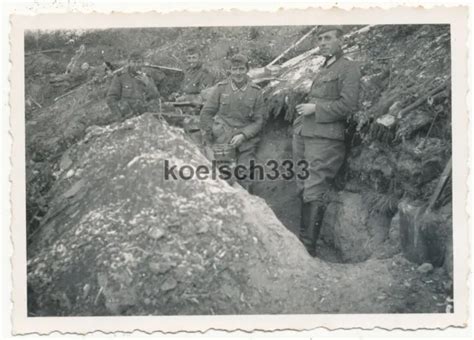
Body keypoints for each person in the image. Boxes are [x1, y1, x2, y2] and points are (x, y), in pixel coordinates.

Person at [293, 25, 361, 256]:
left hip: (325, 138)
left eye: (328, 38)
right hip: (305, 133)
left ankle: (307, 248)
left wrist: (316, 108)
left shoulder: (348, 67)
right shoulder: (324, 67)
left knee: (314, 187)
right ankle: (302, 243)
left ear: (340, 41)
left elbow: (348, 105)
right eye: (320, 39)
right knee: (302, 184)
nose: (322, 42)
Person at [200, 54, 265, 192]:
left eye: (241, 69)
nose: (238, 73)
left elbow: (259, 121)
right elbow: (206, 112)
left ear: (247, 70)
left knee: (245, 175)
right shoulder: (221, 88)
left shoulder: (256, 92)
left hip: (245, 141)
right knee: (222, 176)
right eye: (234, 69)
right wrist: (210, 132)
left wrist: (243, 135)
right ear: (229, 70)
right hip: (223, 137)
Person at [106, 51, 160, 120]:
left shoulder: (147, 78)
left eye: (139, 62)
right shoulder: (120, 77)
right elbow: (111, 98)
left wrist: (148, 84)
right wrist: (119, 116)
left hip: (144, 117)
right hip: (127, 117)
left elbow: (156, 97)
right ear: (129, 63)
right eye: (134, 62)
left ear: (143, 63)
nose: (136, 65)